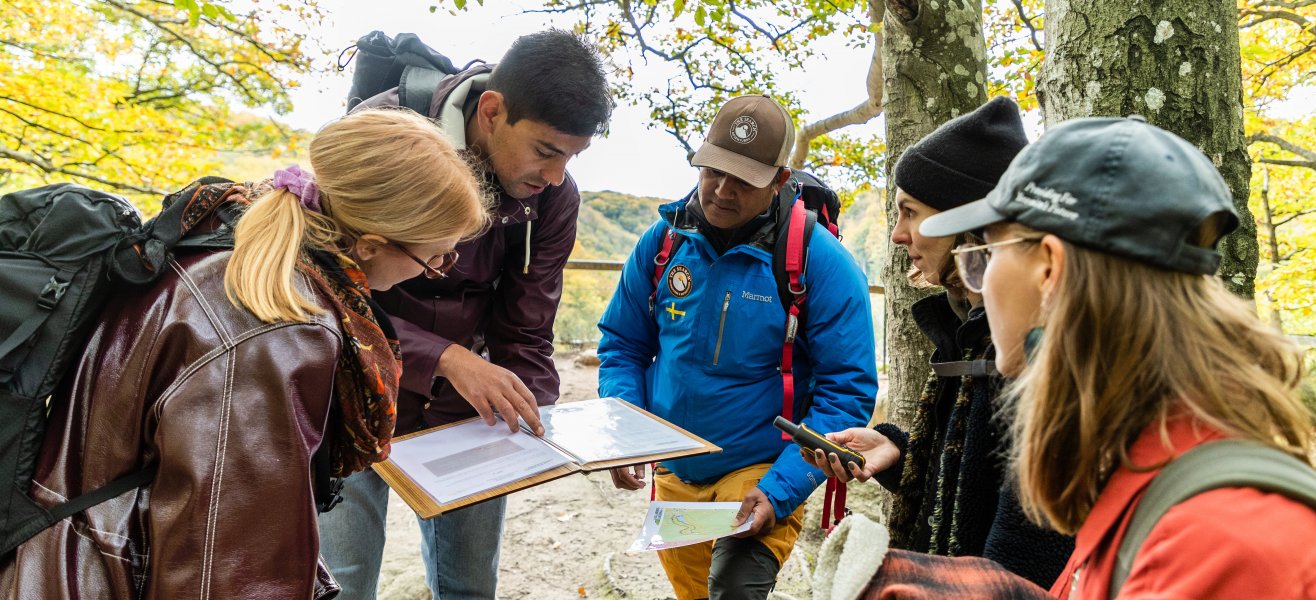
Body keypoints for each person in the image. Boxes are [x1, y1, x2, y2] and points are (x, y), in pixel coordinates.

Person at [842, 116, 1316, 599]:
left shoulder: (1220, 544)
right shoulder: (1138, 462)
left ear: (1048, 270)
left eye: (986, 250)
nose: (978, 276)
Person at [0, 108, 490, 599]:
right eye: (435, 258)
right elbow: (226, 561)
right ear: (370, 245)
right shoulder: (280, 333)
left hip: (72, 558)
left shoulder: (225, 238)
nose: (437, 269)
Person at [319, 30, 613, 599]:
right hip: (350, 384)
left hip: (466, 410)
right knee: (344, 580)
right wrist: (445, 357)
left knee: (471, 583)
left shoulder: (554, 198)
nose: (554, 177)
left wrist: (540, 423)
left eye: (570, 159)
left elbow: (527, 327)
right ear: (493, 110)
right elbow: (327, 291)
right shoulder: (383, 137)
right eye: (546, 151)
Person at [596, 94, 879, 600]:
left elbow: (846, 392)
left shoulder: (822, 263)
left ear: (778, 180)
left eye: (744, 179)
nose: (722, 191)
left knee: (733, 589)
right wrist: (628, 430)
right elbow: (623, 344)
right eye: (713, 171)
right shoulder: (664, 243)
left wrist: (780, 490)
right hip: (675, 468)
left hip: (762, 467)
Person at [803, 97, 1072, 588]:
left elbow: (1027, 558)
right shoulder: (965, 333)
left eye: (911, 213)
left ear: (966, 226)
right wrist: (898, 453)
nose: (899, 235)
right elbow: (972, 487)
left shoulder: (1035, 352)